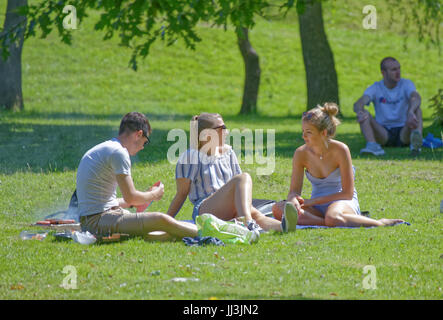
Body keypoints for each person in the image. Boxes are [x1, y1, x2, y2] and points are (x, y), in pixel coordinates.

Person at [272, 103, 405, 227]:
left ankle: (379, 223)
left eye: (309, 132)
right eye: (303, 131)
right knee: (278, 209)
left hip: (342, 203)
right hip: (317, 208)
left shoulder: (341, 150)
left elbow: (347, 193)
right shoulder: (300, 153)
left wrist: (312, 201)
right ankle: (327, 222)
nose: (304, 136)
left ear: (323, 133)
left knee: (333, 216)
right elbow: (294, 191)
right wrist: (293, 200)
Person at [166, 112, 298, 236]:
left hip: (230, 205)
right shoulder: (190, 157)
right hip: (205, 209)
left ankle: (283, 227)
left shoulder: (228, 152)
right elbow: (181, 194)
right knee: (243, 179)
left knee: (257, 215)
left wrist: (246, 205)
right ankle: (247, 222)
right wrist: (166, 222)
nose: (226, 131)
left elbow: (240, 188)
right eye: (222, 128)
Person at [76, 112, 198, 241]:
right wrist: (154, 195)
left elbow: (106, 200)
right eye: (145, 142)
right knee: (160, 219)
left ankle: (195, 230)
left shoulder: (108, 148)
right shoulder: (119, 153)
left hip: (93, 218)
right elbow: (131, 197)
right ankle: (207, 234)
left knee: (156, 226)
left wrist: (142, 198)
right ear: (139, 134)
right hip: (97, 221)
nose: (142, 147)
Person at [353, 57, 423, 156]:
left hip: (404, 130)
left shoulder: (406, 84)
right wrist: (359, 111)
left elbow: (416, 97)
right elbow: (359, 103)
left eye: (399, 68)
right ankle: (372, 146)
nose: (398, 72)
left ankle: (416, 146)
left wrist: (410, 111)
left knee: (417, 110)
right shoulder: (376, 87)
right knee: (364, 114)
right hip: (383, 133)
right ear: (383, 72)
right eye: (394, 69)